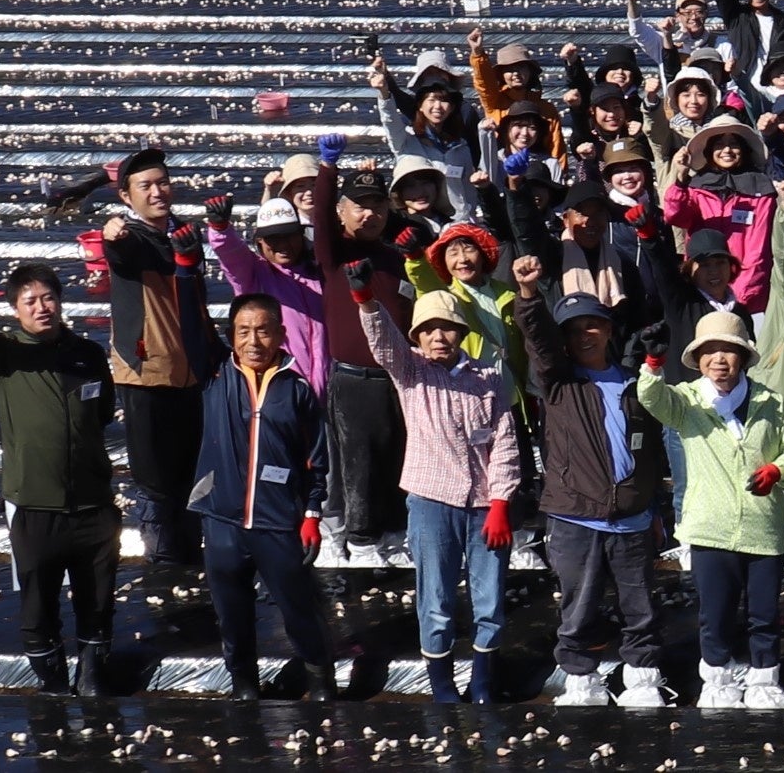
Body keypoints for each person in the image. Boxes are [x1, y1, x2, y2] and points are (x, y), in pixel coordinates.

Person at [0, 240, 116, 696]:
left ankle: (92, 675)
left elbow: (102, 413)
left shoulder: (88, 354)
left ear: (60, 301)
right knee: (38, 604)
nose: (42, 307)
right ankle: (52, 681)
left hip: (94, 504)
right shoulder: (3, 356)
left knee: (98, 599)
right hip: (36, 505)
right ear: (15, 309)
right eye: (31, 301)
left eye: (48, 297)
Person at [511, 273, 675, 709]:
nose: (584, 335)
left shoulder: (635, 384)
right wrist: (528, 294)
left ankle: (643, 678)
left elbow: (651, 453)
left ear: (608, 330)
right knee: (579, 607)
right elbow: (537, 339)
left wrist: (655, 509)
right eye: (573, 329)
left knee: (640, 607)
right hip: (575, 518)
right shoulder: (558, 381)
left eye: (593, 325)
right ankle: (581, 678)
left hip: (633, 519)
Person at [355, 283, 523, 703]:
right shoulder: (411, 372)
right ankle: (442, 685)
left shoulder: (487, 378)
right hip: (431, 501)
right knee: (436, 599)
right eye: (428, 329)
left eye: (446, 327)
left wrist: (501, 502)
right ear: (417, 336)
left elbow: (504, 442)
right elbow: (384, 343)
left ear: (461, 332)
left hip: (484, 505)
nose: (438, 336)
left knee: (489, 598)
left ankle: (482, 682)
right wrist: (366, 301)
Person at [636, 309, 784, 710]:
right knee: (715, 614)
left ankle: (765, 681)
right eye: (709, 351)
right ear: (698, 359)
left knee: (764, 614)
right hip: (710, 529)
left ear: (743, 357)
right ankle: (718, 679)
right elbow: (652, 398)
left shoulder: (770, 402)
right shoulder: (687, 401)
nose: (719, 360)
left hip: (763, 529)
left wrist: (778, 470)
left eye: (728, 351)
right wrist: (654, 363)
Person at [193, 295, 338, 700]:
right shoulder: (216, 375)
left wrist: (312, 513)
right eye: (243, 331)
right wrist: (186, 272)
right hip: (222, 521)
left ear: (280, 334)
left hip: (278, 523)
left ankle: (321, 680)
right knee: (231, 614)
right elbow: (191, 326)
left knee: (299, 608)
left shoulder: (297, 390)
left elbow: (316, 460)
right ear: (231, 336)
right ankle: (244, 684)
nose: (253, 341)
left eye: (263, 330)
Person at [103, 148, 226, 572]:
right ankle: (164, 564)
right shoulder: (132, 237)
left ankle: (192, 558)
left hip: (190, 371)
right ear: (126, 196)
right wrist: (112, 235)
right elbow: (122, 253)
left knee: (192, 474)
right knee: (156, 484)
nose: (157, 192)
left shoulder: (183, 233)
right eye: (146, 186)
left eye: (163, 183)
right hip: (146, 374)